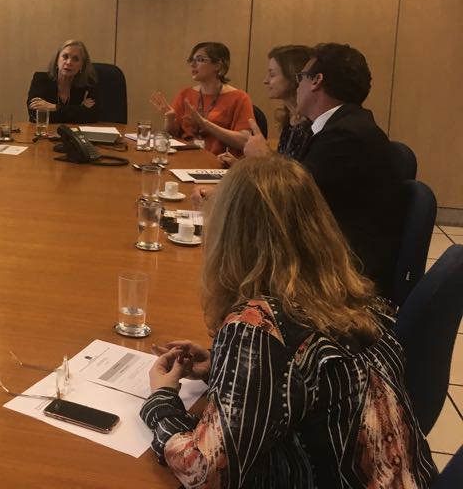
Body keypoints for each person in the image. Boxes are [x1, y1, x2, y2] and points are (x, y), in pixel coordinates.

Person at [141, 155, 435, 489]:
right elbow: (309, 382)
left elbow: (204, 472)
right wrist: (219, 367)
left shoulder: (259, 327)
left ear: (230, 237)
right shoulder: (354, 295)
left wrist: (161, 399)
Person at [245, 43, 404, 297]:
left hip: (344, 277)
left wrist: (263, 160)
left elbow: (292, 201)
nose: (297, 86)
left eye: (301, 78)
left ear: (316, 81)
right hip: (335, 257)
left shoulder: (345, 136)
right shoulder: (342, 126)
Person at [151, 41, 254, 156]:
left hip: (219, 162)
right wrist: (170, 119)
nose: (193, 64)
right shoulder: (185, 94)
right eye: (192, 60)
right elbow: (172, 136)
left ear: (218, 65)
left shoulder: (239, 98)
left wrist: (206, 124)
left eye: (199, 60)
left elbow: (244, 141)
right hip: (184, 159)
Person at [26, 39, 98, 124]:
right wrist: (78, 109)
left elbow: (92, 115)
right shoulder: (41, 80)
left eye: (75, 59)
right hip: (44, 131)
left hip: (76, 132)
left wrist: (54, 107)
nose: (69, 62)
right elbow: (35, 114)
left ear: (82, 66)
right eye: (65, 56)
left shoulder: (88, 83)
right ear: (57, 60)